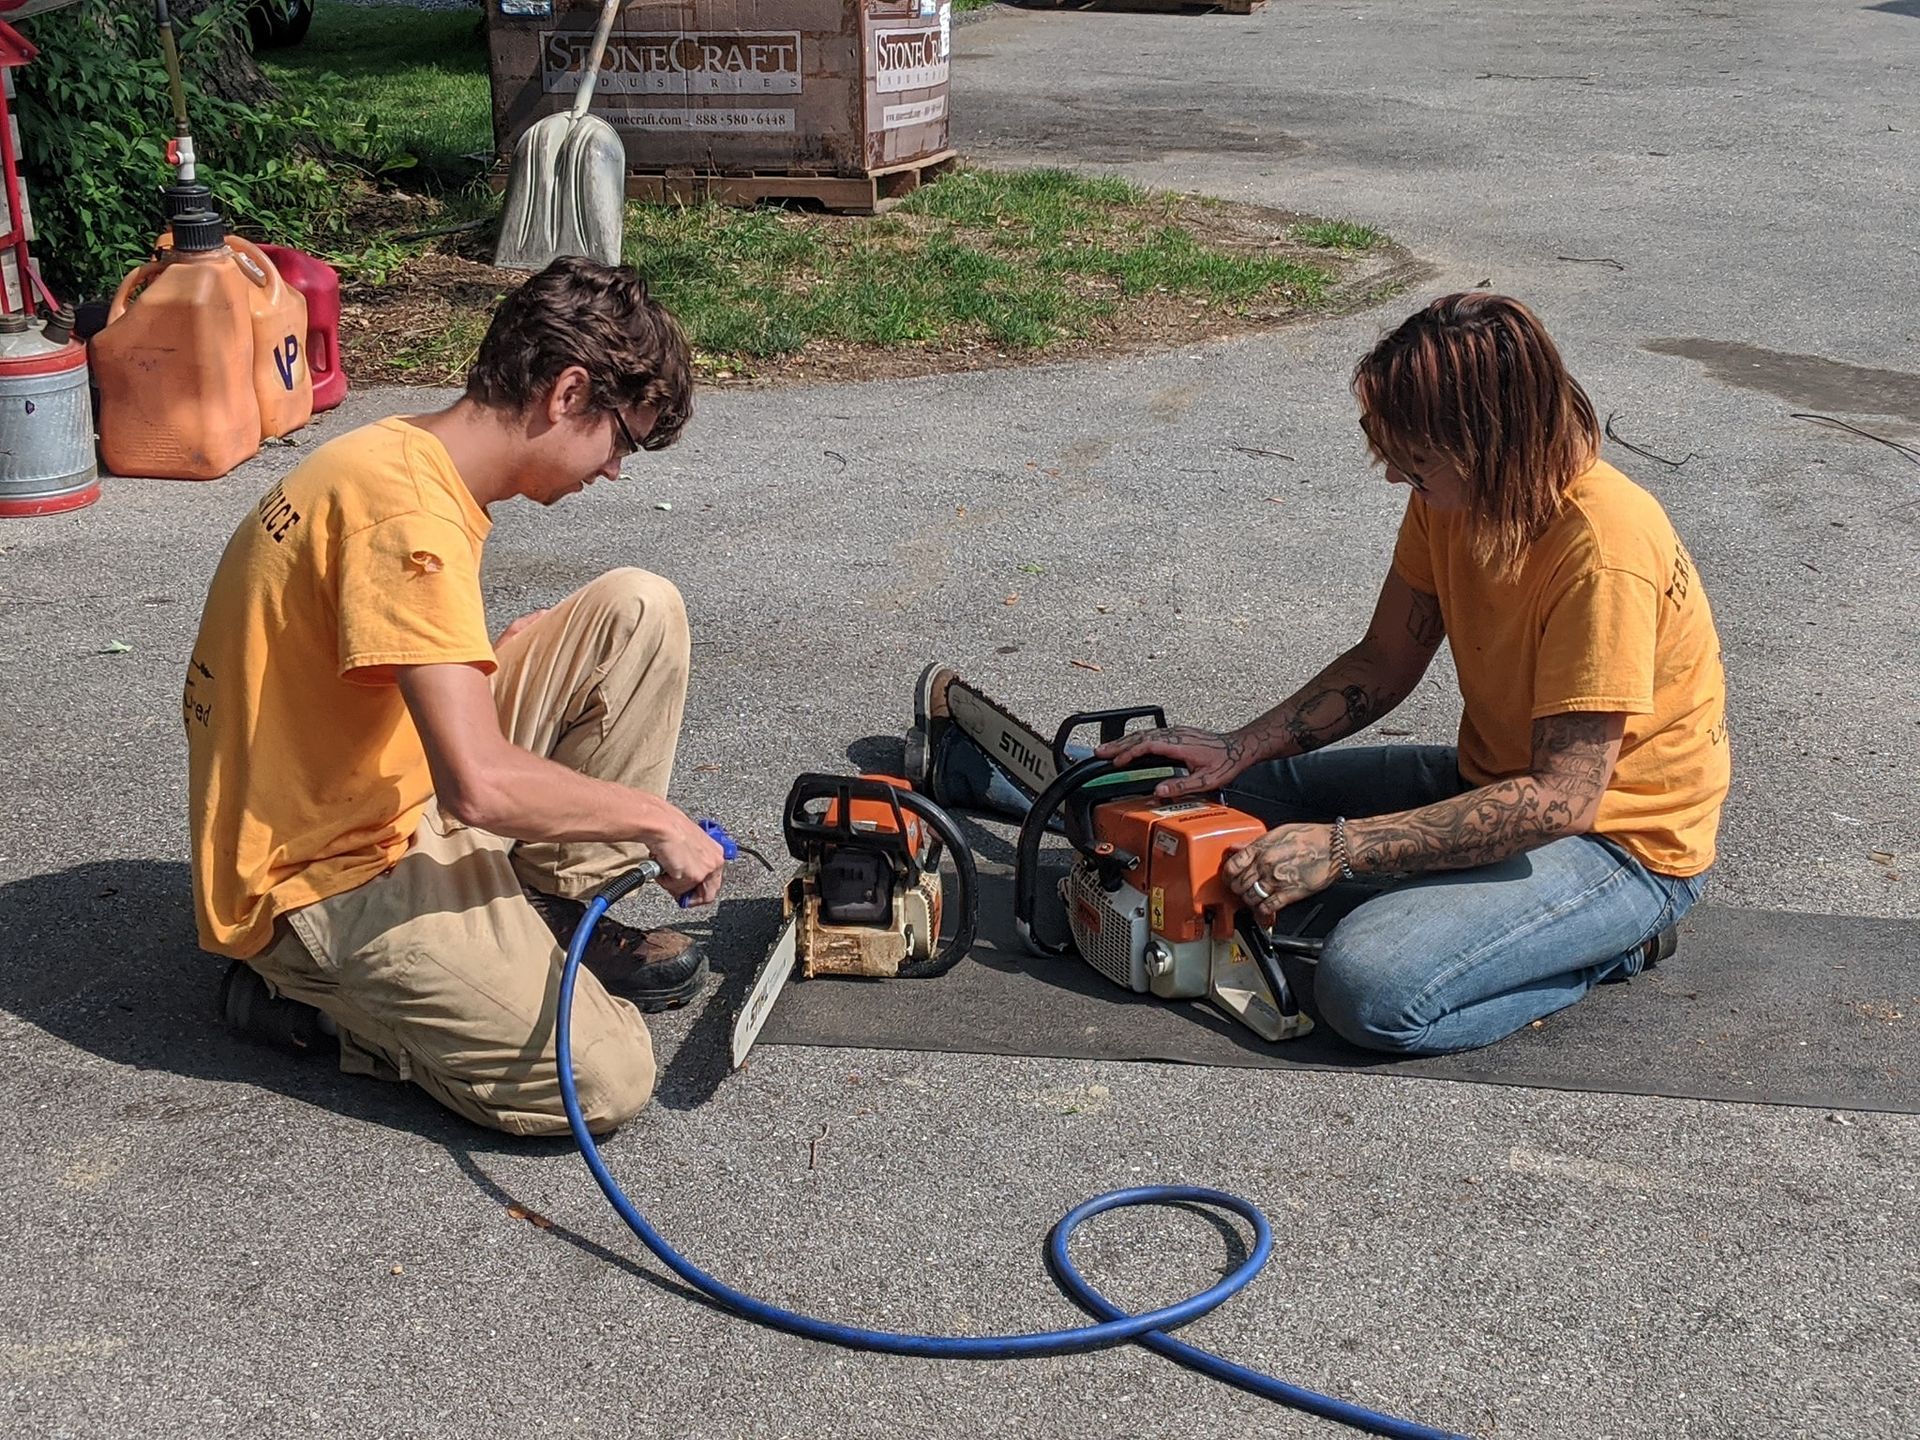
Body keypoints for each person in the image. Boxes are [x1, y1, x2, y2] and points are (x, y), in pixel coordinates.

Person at [913, 293, 1729, 1056]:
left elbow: (1563, 799)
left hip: (1620, 845)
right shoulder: (1455, 494)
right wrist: (1239, 749)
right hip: (1490, 782)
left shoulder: (1604, 551)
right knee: (1178, 800)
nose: (1395, 478)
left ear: (1488, 443)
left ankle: (1610, 948)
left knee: (1367, 986)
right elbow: (1382, 661)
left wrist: (1342, 852)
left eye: (1414, 463)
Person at [183, 257, 729, 1136]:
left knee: (637, 609)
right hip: (321, 874)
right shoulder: (409, 524)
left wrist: (479, 660)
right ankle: (313, 1006)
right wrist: (655, 820)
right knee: (605, 1078)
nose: (618, 468)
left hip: (378, 780)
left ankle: (555, 908)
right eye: (623, 438)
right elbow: (478, 785)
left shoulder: (402, 455)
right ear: (568, 393)